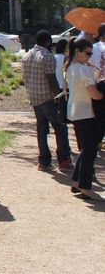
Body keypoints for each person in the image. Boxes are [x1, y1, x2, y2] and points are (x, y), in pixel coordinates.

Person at [21, 30, 73, 171]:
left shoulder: (26, 56)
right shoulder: (47, 56)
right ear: (48, 41)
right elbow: (51, 80)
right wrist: (60, 97)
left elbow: (24, 78)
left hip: (34, 98)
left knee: (42, 130)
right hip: (48, 98)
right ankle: (63, 160)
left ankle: (44, 161)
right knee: (60, 128)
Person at [64, 38, 104, 199]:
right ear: (77, 51)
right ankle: (85, 186)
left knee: (87, 149)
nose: (89, 56)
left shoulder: (70, 68)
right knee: (90, 151)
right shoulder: (82, 69)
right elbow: (95, 94)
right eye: (87, 53)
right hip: (87, 114)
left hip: (76, 112)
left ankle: (77, 181)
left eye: (91, 54)